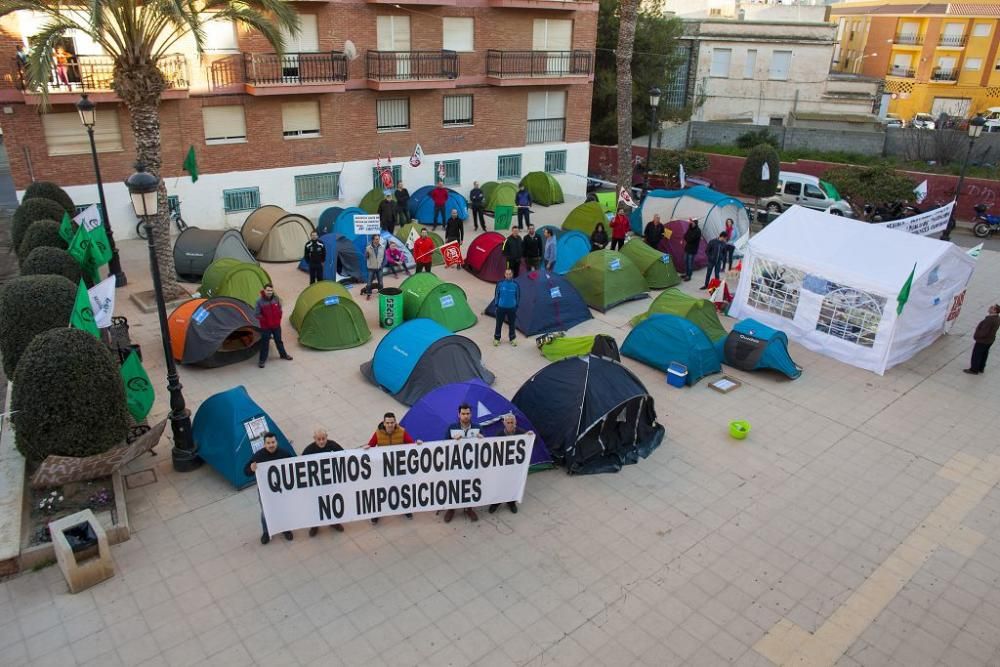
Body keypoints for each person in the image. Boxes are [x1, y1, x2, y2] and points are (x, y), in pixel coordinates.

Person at [365, 413, 416, 522]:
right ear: (384, 423)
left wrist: (418, 444)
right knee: (380, 491)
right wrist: (367, 447)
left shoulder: (402, 432)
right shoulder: (378, 434)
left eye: (392, 422)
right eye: (387, 423)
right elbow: (371, 445)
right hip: (383, 468)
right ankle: (377, 512)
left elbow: (412, 444)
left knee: (402, 489)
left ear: (395, 422)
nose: (390, 425)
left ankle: (405, 508)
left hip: (399, 466)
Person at [244, 432, 294, 544]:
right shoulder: (258, 456)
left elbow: (294, 466)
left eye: (273, 442)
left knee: (283, 510)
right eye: (268, 443)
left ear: (277, 442)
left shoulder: (284, 454)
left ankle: (286, 529)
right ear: (264, 444)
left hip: (282, 490)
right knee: (265, 512)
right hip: (265, 491)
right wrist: (251, 469)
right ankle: (266, 532)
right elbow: (246, 471)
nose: (271, 445)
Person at [302, 429, 345, 536]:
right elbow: (300, 463)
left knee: (331, 502)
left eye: (323, 439)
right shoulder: (309, 449)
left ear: (327, 437)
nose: (321, 441)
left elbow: (345, 454)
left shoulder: (333, 445)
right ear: (314, 439)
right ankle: (315, 525)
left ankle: (334, 522)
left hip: (331, 481)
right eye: (318, 439)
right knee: (316, 504)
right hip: (316, 483)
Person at [488, 414, 530, 514]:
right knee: (500, 484)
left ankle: (511, 502)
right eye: (508, 422)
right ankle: (496, 502)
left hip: (515, 466)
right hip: (502, 465)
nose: (510, 424)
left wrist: (530, 435)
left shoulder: (521, 432)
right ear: (504, 423)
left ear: (515, 423)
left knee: (513, 483)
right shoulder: (499, 435)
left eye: (512, 422)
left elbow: (533, 441)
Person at [445, 404, 480, 523]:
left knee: (469, 485)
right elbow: (443, 445)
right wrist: (452, 441)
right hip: (455, 463)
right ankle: (451, 509)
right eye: (463, 414)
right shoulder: (451, 427)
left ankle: (468, 508)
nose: (465, 416)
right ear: (458, 415)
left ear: (471, 414)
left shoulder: (477, 427)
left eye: (468, 413)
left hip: (471, 464)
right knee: (453, 486)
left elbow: (484, 447)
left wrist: (483, 440)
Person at [255, 284, 293, 368]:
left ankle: (283, 355)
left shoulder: (276, 299)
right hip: (266, 327)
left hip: (276, 325)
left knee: (279, 341)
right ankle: (262, 360)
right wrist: (266, 320)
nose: (269, 292)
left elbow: (280, 309)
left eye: (271, 290)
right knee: (265, 343)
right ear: (264, 291)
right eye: (268, 290)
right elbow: (257, 314)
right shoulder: (259, 301)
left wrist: (279, 317)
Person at [964, 305, 1000, 375]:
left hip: (983, 341)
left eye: (992, 308)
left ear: (995, 311)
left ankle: (974, 369)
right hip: (990, 340)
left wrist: (976, 336)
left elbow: (984, 332)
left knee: (976, 354)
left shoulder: (989, 320)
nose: (989, 307)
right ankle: (981, 367)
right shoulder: (997, 318)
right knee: (984, 354)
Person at [493, 268, 519, 347]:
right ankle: (497, 338)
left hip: (512, 308)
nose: (508, 275)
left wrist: (516, 306)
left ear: (512, 275)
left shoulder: (515, 285)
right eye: (506, 274)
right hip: (501, 308)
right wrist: (496, 304)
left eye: (509, 274)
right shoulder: (500, 284)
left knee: (512, 324)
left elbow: (518, 296)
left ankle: (512, 338)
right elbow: (496, 295)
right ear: (504, 275)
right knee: (498, 324)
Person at [362, 234, 385, 300]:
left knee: (380, 283)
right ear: (373, 240)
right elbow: (366, 257)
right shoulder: (368, 248)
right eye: (376, 239)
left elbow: (384, 257)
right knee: (369, 283)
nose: (378, 240)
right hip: (371, 268)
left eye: (378, 239)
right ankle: (368, 293)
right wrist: (366, 254)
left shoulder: (382, 247)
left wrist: (382, 265)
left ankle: (381, 293)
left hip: (379, 268)